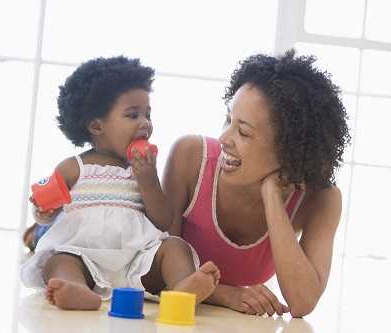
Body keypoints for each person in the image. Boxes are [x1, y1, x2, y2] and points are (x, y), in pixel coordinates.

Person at [20, 56, 220, 311]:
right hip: (84, 254)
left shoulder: (142, 169)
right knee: (58, 261)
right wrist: (42, 211)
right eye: (133, 115)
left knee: (174, 246)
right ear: (96, 126)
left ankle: (182, 289)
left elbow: (162, 220)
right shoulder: (73, 167)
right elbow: (45, 211)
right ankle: (77, 290)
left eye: (148, 114)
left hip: (137, 258)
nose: (145, 123)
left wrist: (148, 180)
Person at [161, 50, 350, 317]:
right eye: (229, 119)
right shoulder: (190, 157)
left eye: (244, 132)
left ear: (288, 149)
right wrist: (225, 293)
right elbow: (151, 267)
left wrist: (271, 195)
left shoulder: (321, 199)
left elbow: (302, 302)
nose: (224, 138)